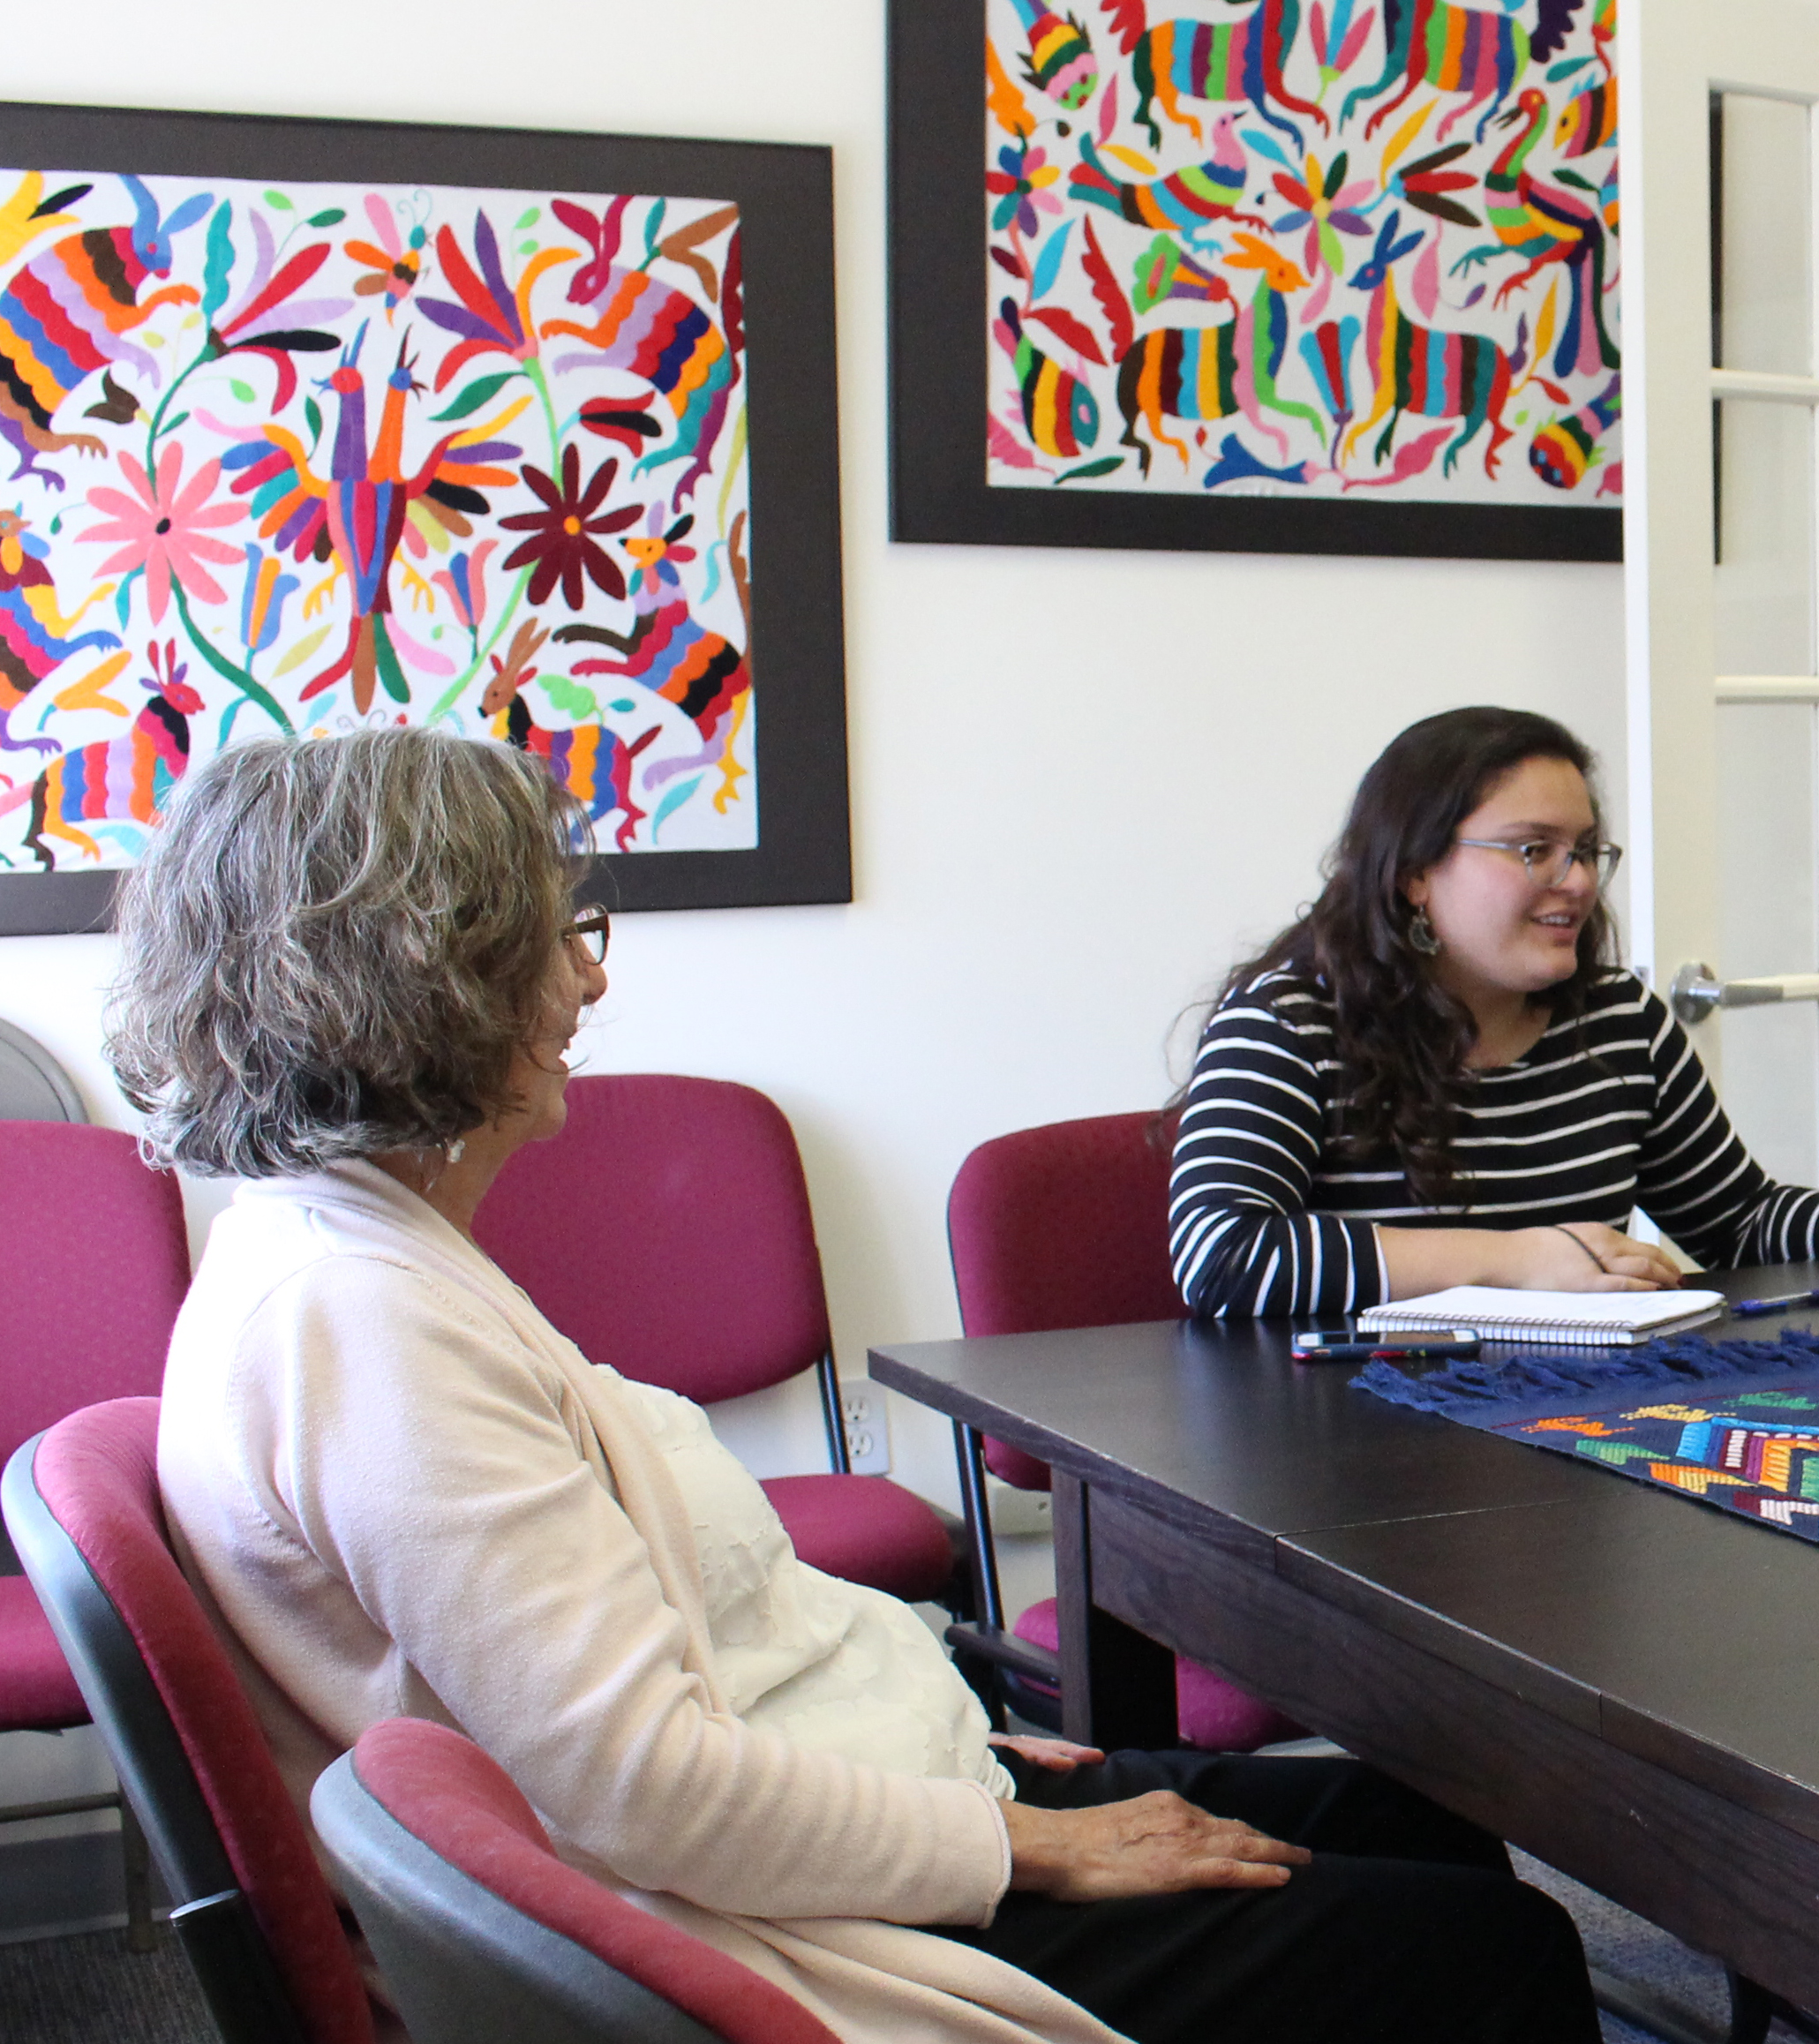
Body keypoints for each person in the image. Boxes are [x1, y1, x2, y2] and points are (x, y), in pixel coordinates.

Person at [124, 729, 1596, 2044]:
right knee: (1491, 1945)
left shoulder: (343, 1260)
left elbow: (639, 1672)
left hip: (821, 1813)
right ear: (421, 976)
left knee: (1411, 1813)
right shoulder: (365, 1327)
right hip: (764, 1937)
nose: (586, 977)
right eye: (550, 936)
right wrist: (1023, 1843)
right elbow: (642, 1791)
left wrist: (947, 1734)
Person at [1169, 706, 1819, 1316]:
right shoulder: (1290, 1023)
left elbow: (1738, 1221)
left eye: (1583, 850)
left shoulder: (1620, 1022)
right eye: (1532, 849)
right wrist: (1514, 1259)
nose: (1576, 881)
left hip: (1578, 1426)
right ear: (1417, 872)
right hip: (1349, 1445)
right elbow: (1224, 1253)